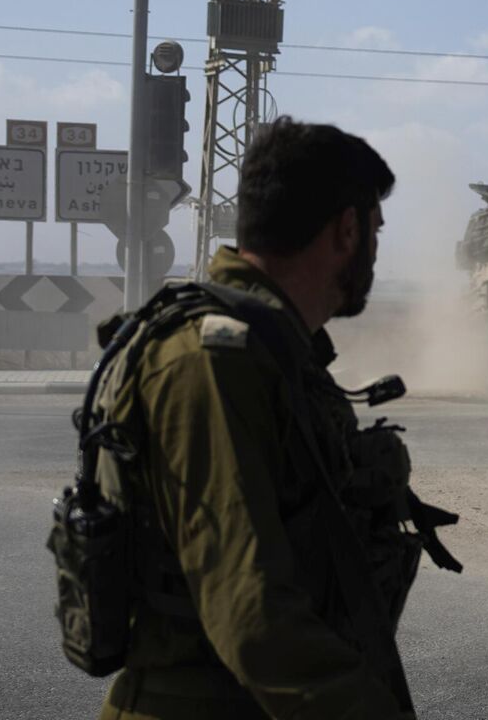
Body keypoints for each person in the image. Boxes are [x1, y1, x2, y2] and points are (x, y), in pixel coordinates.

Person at [93, 117, 448, 719]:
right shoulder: (213, 361)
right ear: (347, 229)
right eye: (376, 231)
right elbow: (252, 613)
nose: (376, 253)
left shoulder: (274, 352)